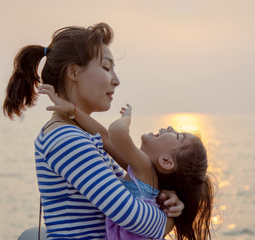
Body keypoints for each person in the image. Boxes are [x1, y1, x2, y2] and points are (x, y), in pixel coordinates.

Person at [3, 22, 184, 240]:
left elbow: (130, 187)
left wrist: (166, 198)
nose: (116, 81)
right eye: (107, 68)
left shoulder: (81, 135)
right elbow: (136, 218)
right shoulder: (66, 139)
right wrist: (172, 218)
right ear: (74, 71)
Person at [38, 84, 214, 240]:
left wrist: (126, 118)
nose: (169, 127)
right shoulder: (142, 173)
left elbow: (115, 132)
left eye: (177, 135)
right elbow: (105, 138)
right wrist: (73, 110)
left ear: (166, 161)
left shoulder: (143, 166)